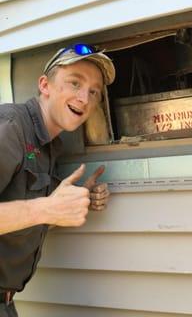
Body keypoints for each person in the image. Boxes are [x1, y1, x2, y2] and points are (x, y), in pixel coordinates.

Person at [0, 43, 115, 316]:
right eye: (74, 83)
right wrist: (46, 208)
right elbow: (37, 209)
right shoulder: (11, 128)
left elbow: (24, 217)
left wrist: (75, 200)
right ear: (44, 85)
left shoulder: (50, 146)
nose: (84, 98)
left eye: (93, 91)